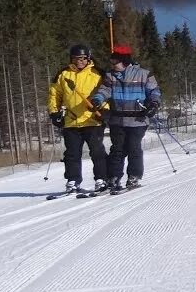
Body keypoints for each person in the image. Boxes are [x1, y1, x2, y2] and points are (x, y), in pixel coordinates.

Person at [92, 45, 162, 193]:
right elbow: (104, 91)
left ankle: (134, 177)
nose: (112, 64)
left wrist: (154, 104)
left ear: (124, 61)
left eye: (114, 61)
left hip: (138, 120)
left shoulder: (144, 74)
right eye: (111, 61)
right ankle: (113, 178)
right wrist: (97, 100)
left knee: (133, 147)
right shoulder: (110, 76)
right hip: (117, 120)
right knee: (117, 149)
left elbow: (154, 91)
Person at [47, 44, 109, 195]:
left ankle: (102, 178)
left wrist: (105, 109)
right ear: (71, 58)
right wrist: (54, 112)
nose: (80, 61)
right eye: (76, 58)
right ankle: (73, 180)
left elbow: (106, 92)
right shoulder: (63, 74)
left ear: (88, 58)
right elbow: (54, 94)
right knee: (72, 153)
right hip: (71, 121)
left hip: (92, 120)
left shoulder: (97, 73)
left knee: (97, 151)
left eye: (83, 58)